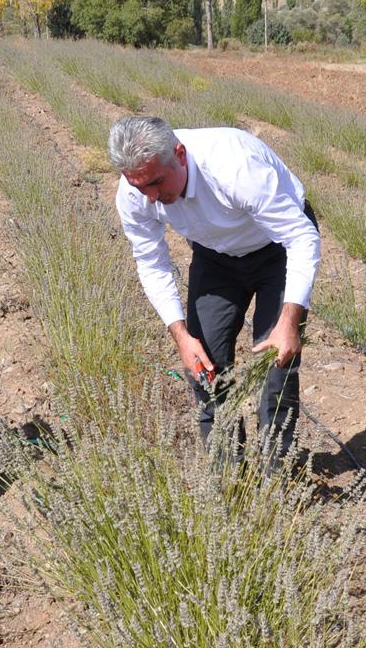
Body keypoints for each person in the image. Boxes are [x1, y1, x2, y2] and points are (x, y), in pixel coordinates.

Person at [109, 116, 321, 457]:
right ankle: (228, 479)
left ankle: (275, 482)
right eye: (138, 187)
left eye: (156, 183)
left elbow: (300, 238)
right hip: (215, 255)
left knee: (275, 365)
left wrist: (289, 322)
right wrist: (181, 335)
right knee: (203, 365)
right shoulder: (137, 192)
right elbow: (151, 261)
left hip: (276, 248)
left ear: (179, 154)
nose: (150, 198)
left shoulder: (234, 166)